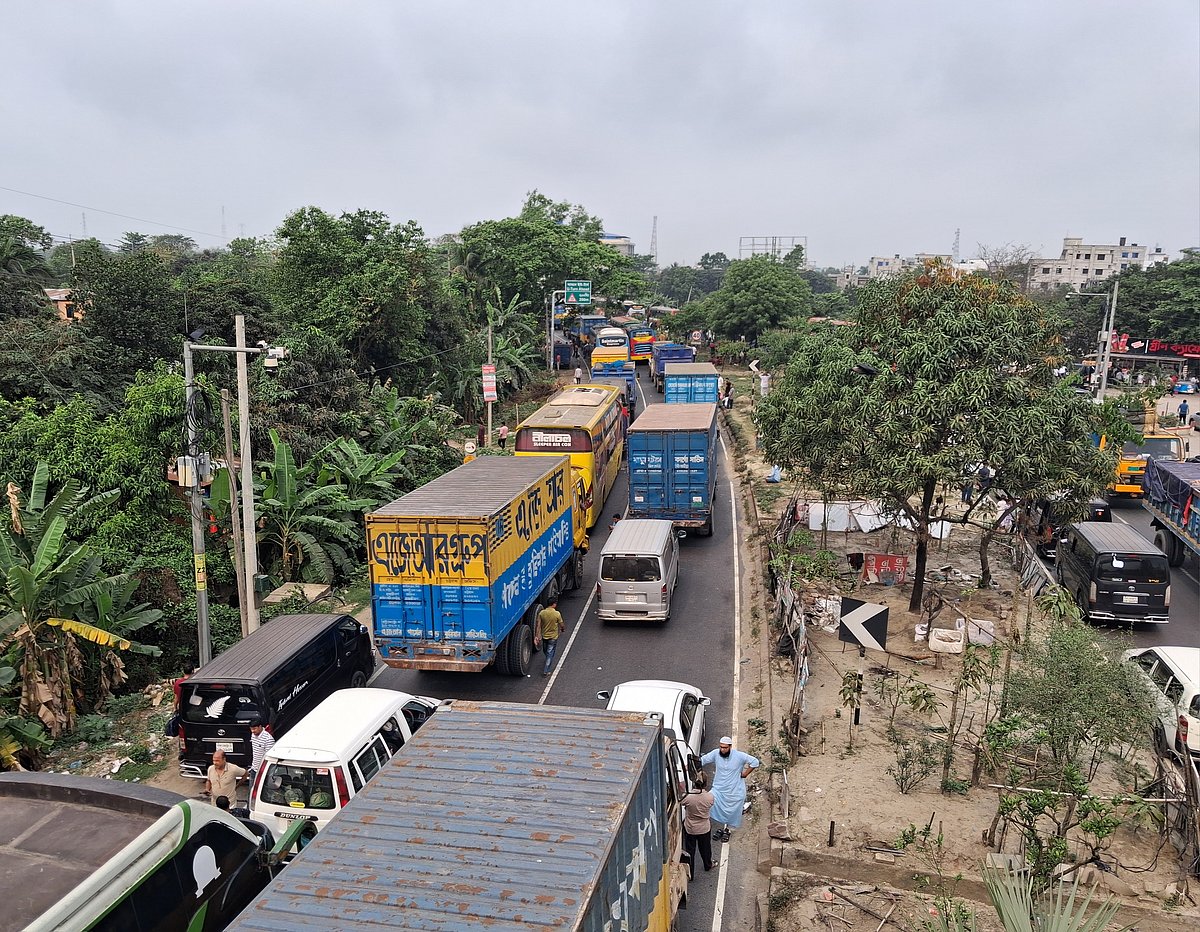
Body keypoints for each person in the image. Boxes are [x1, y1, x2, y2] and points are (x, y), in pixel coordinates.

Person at [700, 737, 759, 841]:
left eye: (725, 748)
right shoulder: (715, 753)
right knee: (709, 803)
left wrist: (745, 774)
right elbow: (703, 760)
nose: (722, 750)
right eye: (721, 747)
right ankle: (719, 828)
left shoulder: (739, 756)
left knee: (732, 811)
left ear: (730, 747)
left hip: (734, 790)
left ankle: (727, 830)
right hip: (718, 788)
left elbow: (755, 762)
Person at [682, 772, 716, 877]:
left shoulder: (688, 797)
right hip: (704, 827)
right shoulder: (710, 797)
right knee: (705, 849)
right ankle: (708, 864)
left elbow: (681, 802)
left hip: (690, 828)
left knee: (690, 851)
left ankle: (690, 873)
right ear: (705, 784)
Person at [538, 598, 565, 676]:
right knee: (550, 653)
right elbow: (561, 624)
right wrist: (562, 629)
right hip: (553, 637)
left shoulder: (542, 613)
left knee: (545, 650)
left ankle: (547, 660)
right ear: (554, 604)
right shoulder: (557, 614)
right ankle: (546, 670)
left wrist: (537, 635)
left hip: (544, 636)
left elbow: (538, 625)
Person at [248, 720, 275, 789]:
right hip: (254, 768)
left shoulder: (268, 739)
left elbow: (269, 757)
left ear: (260, 727)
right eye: (251, 729)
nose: (252, 731)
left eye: (254, 728)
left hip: (263, 771)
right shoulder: (253, 735)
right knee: (251, 790)